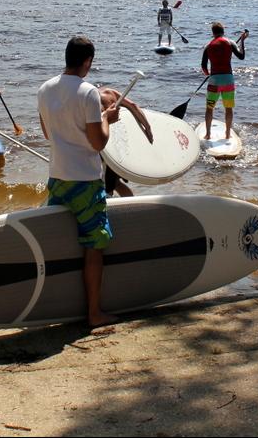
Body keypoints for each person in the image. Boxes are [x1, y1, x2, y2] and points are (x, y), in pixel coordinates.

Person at [37, 36, 121, 327]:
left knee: (61, 242)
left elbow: (49, 135)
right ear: (88, 61)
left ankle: (57, 305)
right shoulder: (89, 93)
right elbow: (98, 143)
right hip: (86, 181)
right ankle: (94, 313)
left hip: (57, 177)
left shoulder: (44, 89)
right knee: (94, 246)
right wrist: (108, 118)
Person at [99, 87, 154, 197]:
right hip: (117, 146)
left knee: (107, 186)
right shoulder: (110, 92)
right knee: (116, 183)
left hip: (103, 147)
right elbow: (133, 106)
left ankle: (112, 209)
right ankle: (132, 206)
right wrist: (147, 127)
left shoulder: (88, 99)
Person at [200, 22, 248, 141]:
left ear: (213, 33)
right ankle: (227, 134)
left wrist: (208, 74)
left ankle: (208, 134)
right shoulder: (230, 42)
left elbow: (204, 66)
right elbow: (241, 56)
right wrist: (242, 40)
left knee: (209, 108)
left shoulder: (208, 45)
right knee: (228, 108)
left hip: (214, 81)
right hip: (228, 81)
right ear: (223, 31)